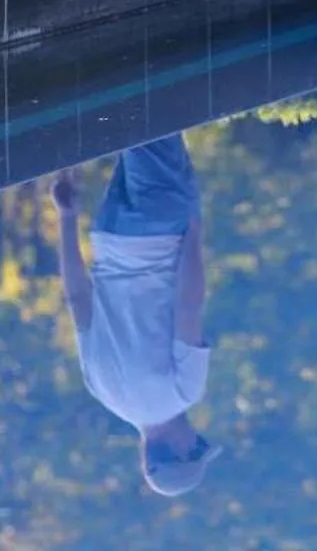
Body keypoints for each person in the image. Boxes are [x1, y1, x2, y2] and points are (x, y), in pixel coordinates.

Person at [52, 135, 221, 497]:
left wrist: (193, 236)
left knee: (148, 106)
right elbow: (78, 298)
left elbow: (188, 306)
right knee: (126, 120)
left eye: (197, 445)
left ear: (181, 450)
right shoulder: (101, 390)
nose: (198, 435)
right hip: (108, 235)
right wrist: (66, 218)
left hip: (162, 230)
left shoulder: (185, 393)